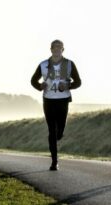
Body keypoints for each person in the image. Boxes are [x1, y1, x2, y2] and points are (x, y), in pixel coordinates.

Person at [31, 40, 81, 171]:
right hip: (48, 100)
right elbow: (33, 80)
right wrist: (40, 86)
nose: (57, 49)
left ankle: (58, 138)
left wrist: (68, 85)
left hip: (63, 100)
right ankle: (54, 161)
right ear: (51, 49)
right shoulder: (43, 64)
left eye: (60, 47)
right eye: (55, 47)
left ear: (63, 50)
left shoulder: (69, 64)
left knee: (59, 132)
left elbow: (78, 82)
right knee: (52, 131)